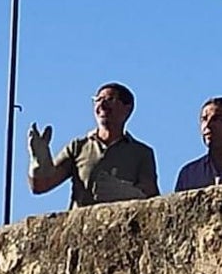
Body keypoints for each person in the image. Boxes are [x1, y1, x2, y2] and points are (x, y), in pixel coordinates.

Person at [27, 82, 160, 208]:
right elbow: (41, 185)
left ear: (127, 108)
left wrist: (125, 192)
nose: (102, 105)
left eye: (109, 99)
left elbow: (150, 198)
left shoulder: (141, 153)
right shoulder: (78, 147)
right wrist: (38, 162)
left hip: (122, 228)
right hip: (82, 229)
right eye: (97, 100)